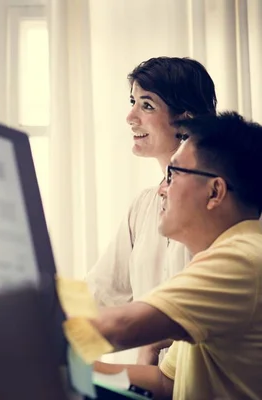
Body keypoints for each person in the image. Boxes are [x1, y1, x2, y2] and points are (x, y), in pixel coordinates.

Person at [90, 111, 262, 399]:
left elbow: (118, 328)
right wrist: (80, 374)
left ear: (215, 192)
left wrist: (12, 337)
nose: (162, 189)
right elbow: (166, 382)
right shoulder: (230, 254)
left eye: (174, 173)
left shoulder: (240, 259)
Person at [85, 57, 217, 364]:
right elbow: (100, 295)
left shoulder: (222, 205)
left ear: (185, 120)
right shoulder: (143, 206)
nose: (130, 117)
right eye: (133, 102)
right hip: (154, 383)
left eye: (146, 105)